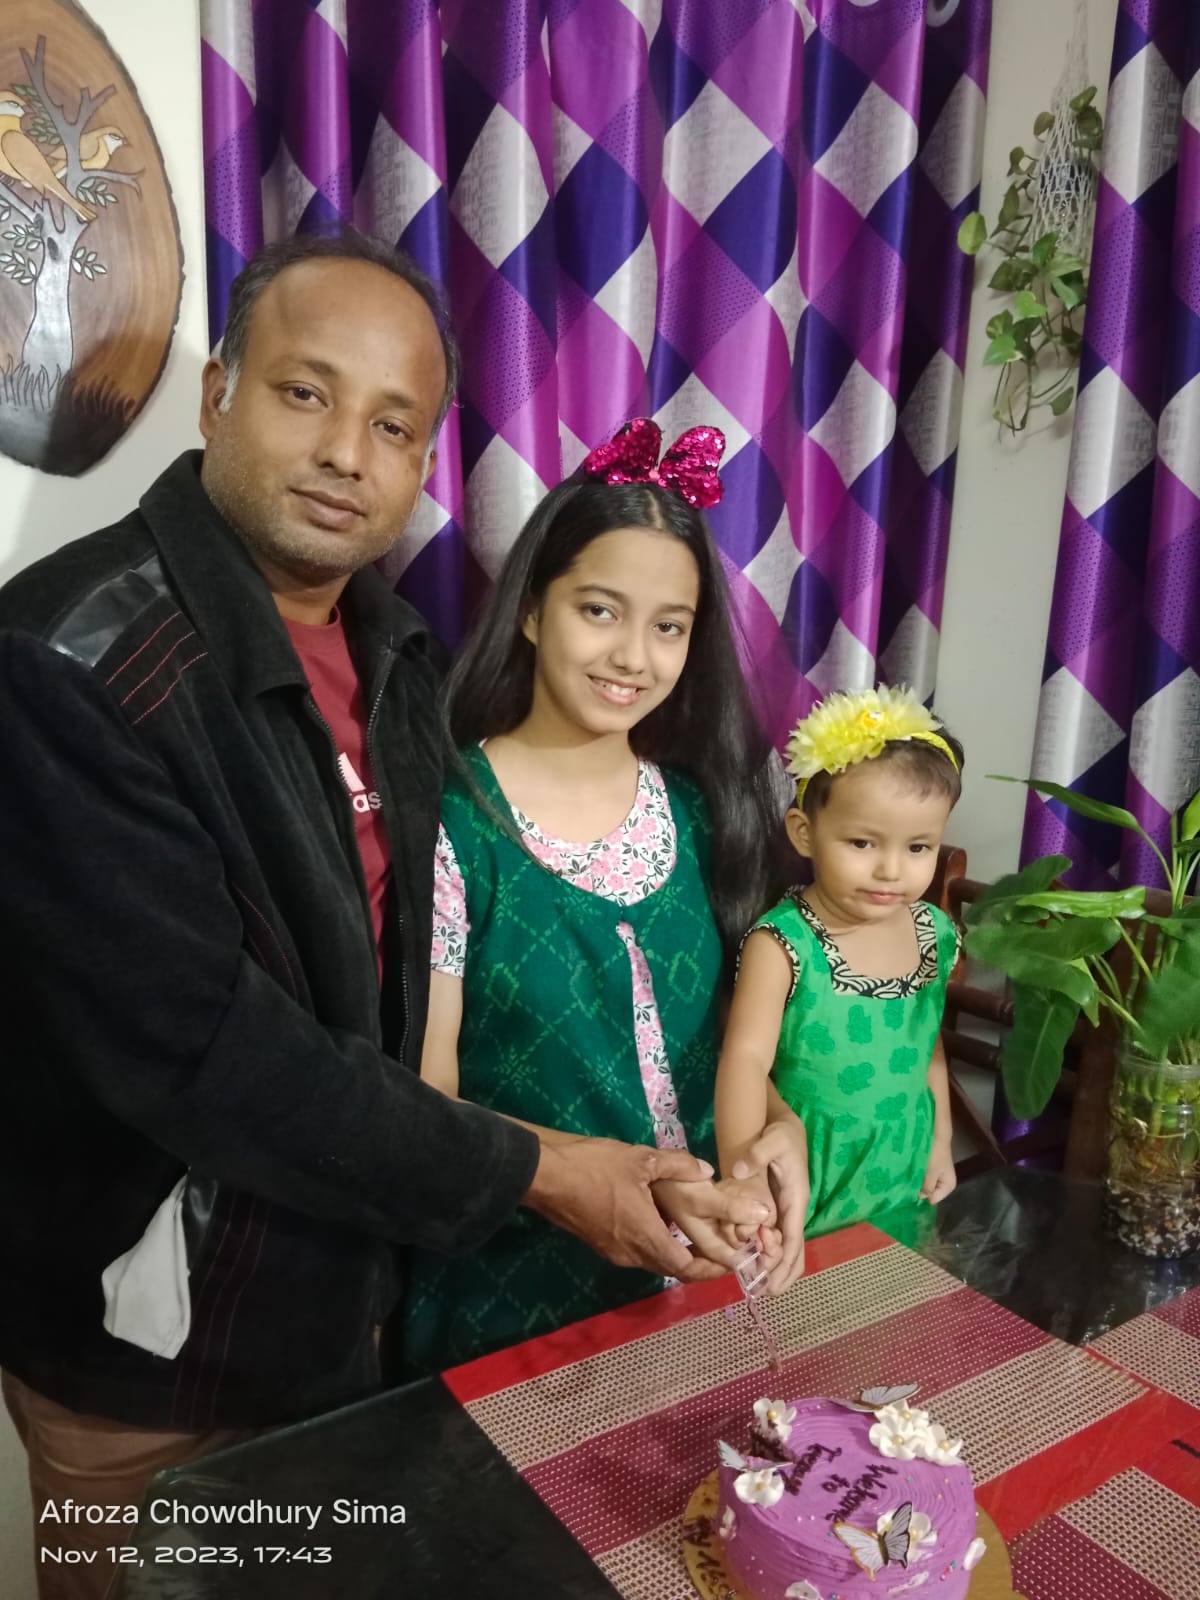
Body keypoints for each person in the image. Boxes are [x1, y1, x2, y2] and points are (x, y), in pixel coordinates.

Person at [0, 233, 779, 1600]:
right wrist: (548, 1175)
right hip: (160, 1354)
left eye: (393, 424)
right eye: (306, 393)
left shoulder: (395, 653)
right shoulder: (67, 657)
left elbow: (403, 1012)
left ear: (425, 460)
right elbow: (206, 1051)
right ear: (219, 392)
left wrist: (701, 1142)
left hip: (351, 1314)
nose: (345, 452)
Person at [405, 420, 809, 1373]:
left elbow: (727, 1044)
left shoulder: (703, 812)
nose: (634, 655)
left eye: (669, 627)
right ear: (532, 611)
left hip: (710, 1287)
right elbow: (428, 1109)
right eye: (599, 610)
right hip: (517, 1307)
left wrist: (779, 1130)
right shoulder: (453, 822)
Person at [715, 686, 964, 1241]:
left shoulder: (935, 933)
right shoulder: (784, 942)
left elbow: (928, 1046)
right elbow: (744, 1061)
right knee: (798, 1285)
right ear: (805, 833)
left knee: (881, 1277)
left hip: (900, 1159)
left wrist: (941, 1141)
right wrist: (743, 1179)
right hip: (807, 1167)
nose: (890, 870)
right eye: (862, 843)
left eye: (918, 848)